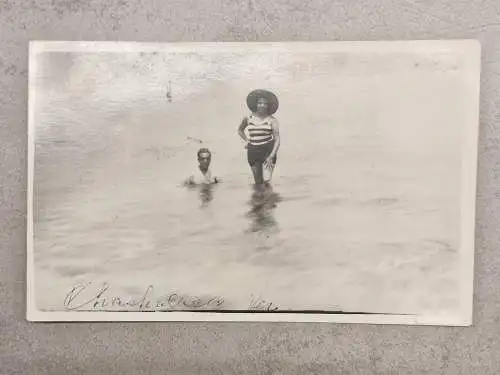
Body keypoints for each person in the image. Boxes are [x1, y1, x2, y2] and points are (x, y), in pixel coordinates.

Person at [237, 89, 281, 190]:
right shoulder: (248, 118)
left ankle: (270, 201)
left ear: (268, 106)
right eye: (259, 103)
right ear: (256, 104)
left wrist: (271, 155)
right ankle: (258, 203)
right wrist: (247, 140)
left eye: (265, 103)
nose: (262, 105)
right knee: (258, 181)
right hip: (253, 150)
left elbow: (277, 139)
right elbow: (240, 130)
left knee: (266, 180)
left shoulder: (272, 120)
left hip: (267, 150)